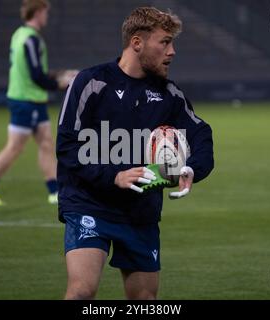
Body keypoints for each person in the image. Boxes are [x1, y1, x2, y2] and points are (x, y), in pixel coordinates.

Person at [57, 7, 214, 299]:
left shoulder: (169, 94)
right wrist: (112, 176)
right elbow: (67, 146)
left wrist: (192, 169)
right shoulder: (91, 83)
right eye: (165, 42)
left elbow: (201, 133)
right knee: (81, 291)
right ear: (137, 43)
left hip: (140, 212)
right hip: (90, 203)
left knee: (144, 300)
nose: (172, 51)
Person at [0, 0, 77, 206]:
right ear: (38, 12)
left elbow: (36, 72)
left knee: (46, 144)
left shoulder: (19, 35)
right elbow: (37, 76)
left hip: (32, 100)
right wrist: (62, 83)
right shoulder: (31, 39)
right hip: (26, 101)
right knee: (14, 148)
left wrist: (61, 75)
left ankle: (54, 192)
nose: (47, 17)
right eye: (45, 12)